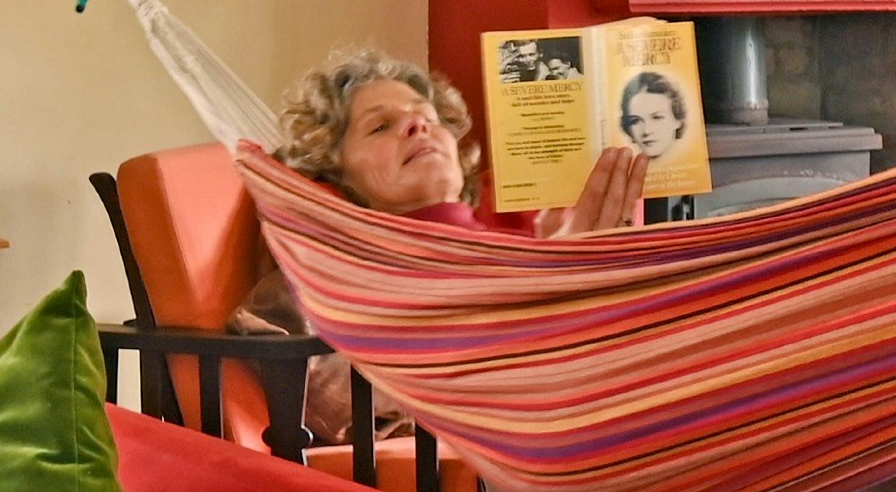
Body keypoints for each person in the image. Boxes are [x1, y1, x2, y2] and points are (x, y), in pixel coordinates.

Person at [232, 48, 640, 449]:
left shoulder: (529, 241)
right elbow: (358, 407)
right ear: (333, 172)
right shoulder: (330, 279)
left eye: (429, 117)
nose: (417, 125)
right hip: (504, 451)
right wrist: (550, 318)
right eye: (380, 127)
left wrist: (585, 281)